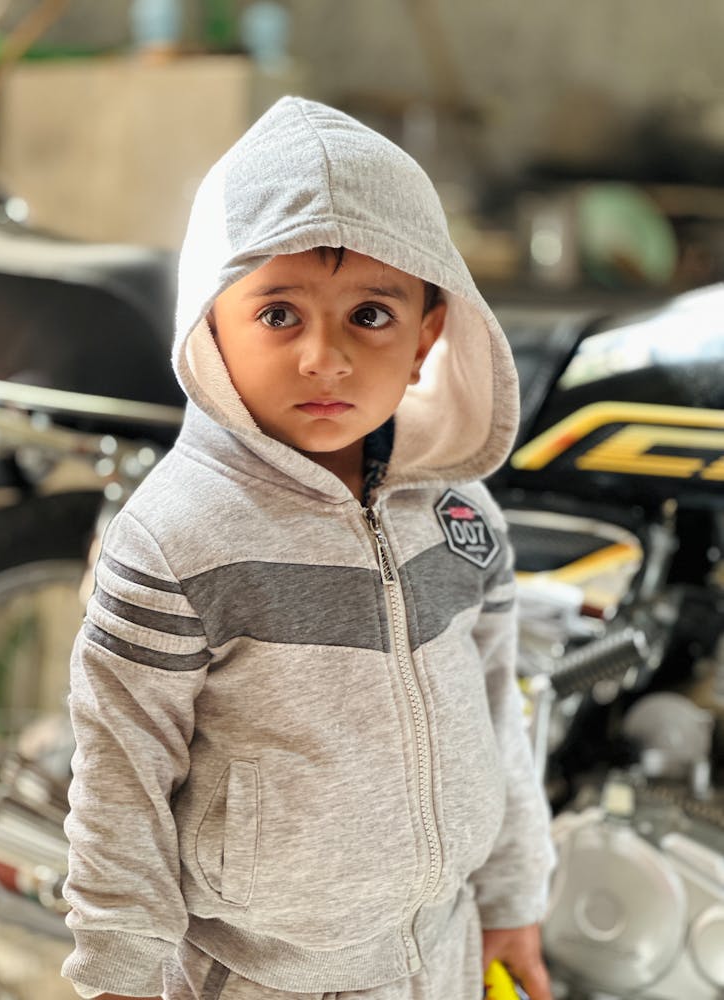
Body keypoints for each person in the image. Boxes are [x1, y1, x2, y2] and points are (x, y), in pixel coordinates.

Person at [61, 96, 555, 1000]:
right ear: (212, 323)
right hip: (259, 977)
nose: (323, 357)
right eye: (279, 314)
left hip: (440, 956)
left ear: (426, 338)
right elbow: (120, 779)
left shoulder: (462, 516)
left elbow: (499, 712)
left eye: (370, 315)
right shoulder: (177, 541)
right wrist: (118, 978)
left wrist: (513, 895)